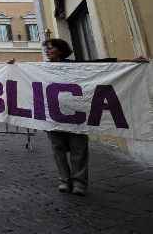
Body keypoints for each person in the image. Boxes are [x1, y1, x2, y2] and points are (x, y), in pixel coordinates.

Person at [9, 38, 148, 196]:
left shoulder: (76, 66)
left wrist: (131, 62)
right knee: (58, 150)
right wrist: (13, 67)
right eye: (46, 48)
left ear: (61, 50)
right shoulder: (42, 68)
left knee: (79, 150)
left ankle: (79, 183)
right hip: (53, 117)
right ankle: (64, 180)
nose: (47, 51)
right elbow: (22, 71)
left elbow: (104, 65)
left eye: (51, 48)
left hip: (77, 117)